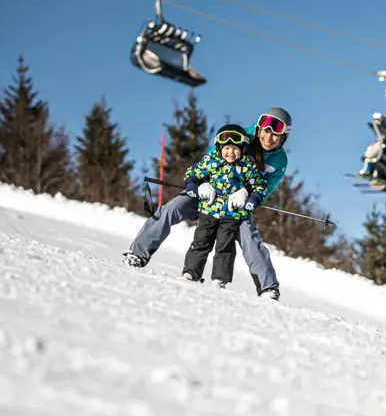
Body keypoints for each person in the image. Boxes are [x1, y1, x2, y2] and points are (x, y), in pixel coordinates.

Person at [124, 107, 292, 300]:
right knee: (172, 208)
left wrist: (247, 194)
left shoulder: (279, 161)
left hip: (235, 205)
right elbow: (209, 161)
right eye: (266, 132)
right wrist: (201, 185)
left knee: (248, 235)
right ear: (258, 129)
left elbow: (266, 188)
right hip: (208, 195)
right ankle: (137, 254)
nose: (269, 138)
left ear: (284, 138)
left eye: (276, 136)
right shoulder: (237, 134)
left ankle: (268, 287)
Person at [179, 124, 268, 288]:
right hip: (208, 210)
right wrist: (195, 186)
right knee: (201, 241)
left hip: (231, 214)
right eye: (227, 148)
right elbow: (192, 172)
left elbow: (260, 186)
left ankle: (220, 278)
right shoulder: (211, 160)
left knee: (225, 246)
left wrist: (250, 197)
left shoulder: (248, 166)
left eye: (235, 148)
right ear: (219, 147)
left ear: (242, 148)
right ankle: (191, 271)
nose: (230, 152)